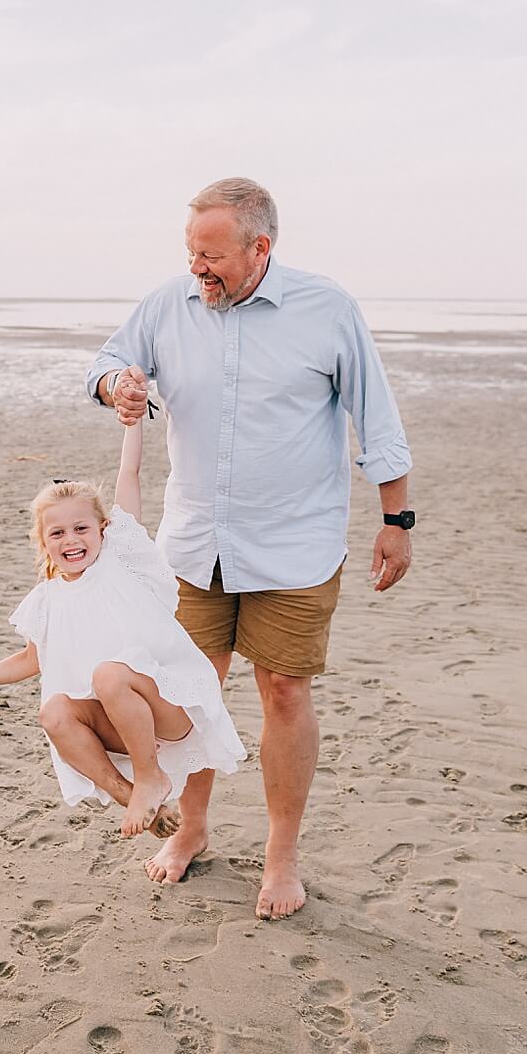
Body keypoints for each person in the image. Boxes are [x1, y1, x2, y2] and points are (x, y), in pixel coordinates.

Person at [86, 177, 413, 919]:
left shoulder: (327, 309)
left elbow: (377, 418)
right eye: (192, 254)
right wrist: (117, 386)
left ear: (260, 247)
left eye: (214, 257)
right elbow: (103, 363)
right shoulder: (169, 303)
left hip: (294, 546)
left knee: (284, 692)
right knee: (190, 694)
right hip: (194, 543)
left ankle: (282, 858)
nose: (200, 269)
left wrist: (400, 519)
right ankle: (194, 830)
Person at [0, 419, 245, 839]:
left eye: (81, 528)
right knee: (52, 711)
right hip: (117, 725)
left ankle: (149, 777)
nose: (71, 540)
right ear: (43, 541)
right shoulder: (49, 596)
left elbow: (130, 474)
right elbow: (31, 659)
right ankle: (133, 795)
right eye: (57, 533)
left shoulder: (120, 559)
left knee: (108, 672)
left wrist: (133, 422)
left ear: (103, 530)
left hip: (166, 708)